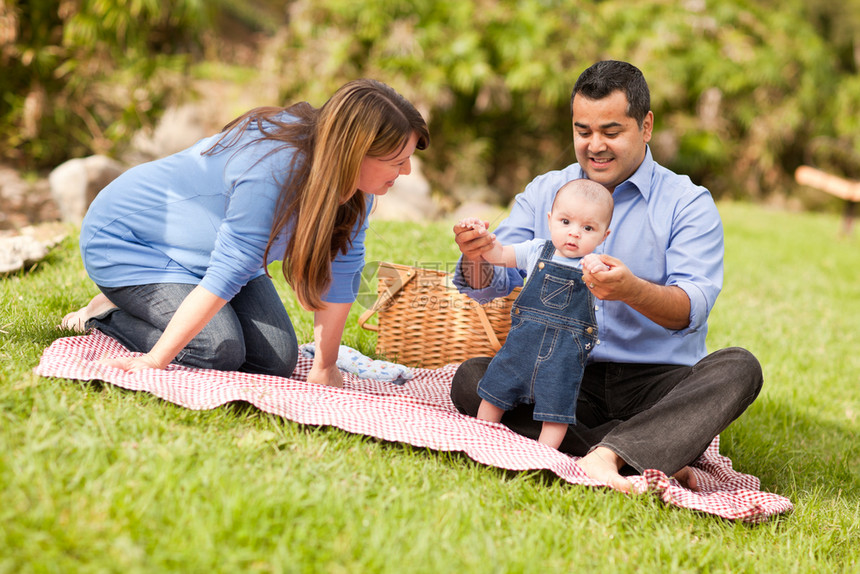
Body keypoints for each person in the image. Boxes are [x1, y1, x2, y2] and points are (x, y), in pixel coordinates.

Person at [451, 60, 762, 492]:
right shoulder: (547, 191)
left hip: (654, 383)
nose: (594, 145)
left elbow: (688, 310)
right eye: (583, 131)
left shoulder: (688, 204)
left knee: (739, 368)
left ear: (646, 126)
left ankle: (609, 452)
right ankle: (644, 450)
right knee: (472, 380)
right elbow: (492, 284)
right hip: (560, 374)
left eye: (611, 132)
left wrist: (631, 290)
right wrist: (475, 256)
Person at [61, 79, 430, 387]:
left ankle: (162, 307)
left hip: (205, 256)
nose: (408, 171)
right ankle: (105, 314)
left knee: (276, 360)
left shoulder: (355, 188)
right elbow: (227, 273)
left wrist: (324, 367)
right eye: (398, 161)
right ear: (355, 152)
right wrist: (156, 360)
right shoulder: (272, 170)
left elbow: (343, 273)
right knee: (217, 350)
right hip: (132, 243)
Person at [459, 178, 613, 449]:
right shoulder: (536, 250)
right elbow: (499, 255)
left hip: (564, 356)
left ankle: (544, 453)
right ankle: (480, 436)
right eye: (566, 222)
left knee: (557, 407)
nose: (574, 233)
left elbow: (609, 289)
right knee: (495, 388)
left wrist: (599, 272)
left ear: (604, 236)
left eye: (588, 228)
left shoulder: (597, 264)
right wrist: (484, 241)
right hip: (522, 345)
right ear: (551, 220)